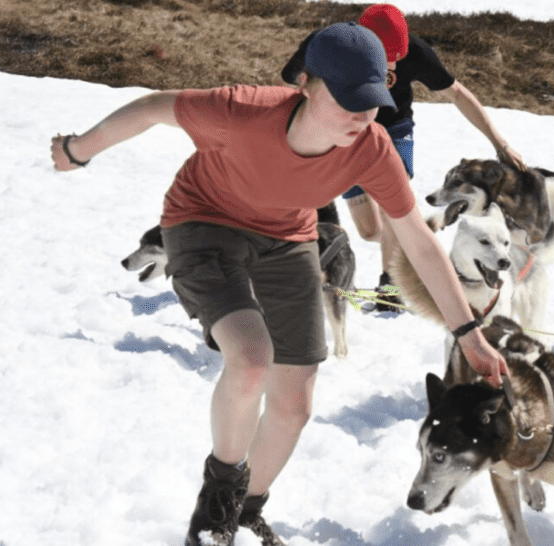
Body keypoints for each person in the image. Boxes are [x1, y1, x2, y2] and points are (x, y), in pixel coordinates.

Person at [50, 22, 508, 546]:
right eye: (349, 101)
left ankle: (247, 510)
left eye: (374, 101)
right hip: (204, 223)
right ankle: (216, 507)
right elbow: (155, 106)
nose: (363, 117)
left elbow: (419, 242)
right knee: (249, 360)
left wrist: (469, 334)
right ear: (307, 85)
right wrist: (78, 149)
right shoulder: (241, 112)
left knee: (294, 404)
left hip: (288, 236)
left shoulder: (371, 147)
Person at [282, 4, 527, 311]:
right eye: (387, 57)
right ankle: (411, 237)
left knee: (391, 203)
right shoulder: (335, 43)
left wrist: (500, 144)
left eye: (398, 55)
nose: (394, 64)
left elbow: (458, 94)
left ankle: (391, 284)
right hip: (347, 131)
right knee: (370, 231)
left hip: (395, 130)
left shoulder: (416, 53)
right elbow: (292, 84)